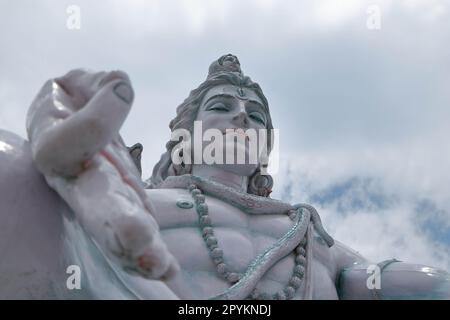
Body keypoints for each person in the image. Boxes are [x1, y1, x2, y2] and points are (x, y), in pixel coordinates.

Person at [0, 54, 448, 299]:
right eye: (221, 108)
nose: (241, 119)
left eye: (255, 115)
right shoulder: (136, 202)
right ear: (184, 134)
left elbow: (370, 279)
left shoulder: (307, 233)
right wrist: (64, 163)